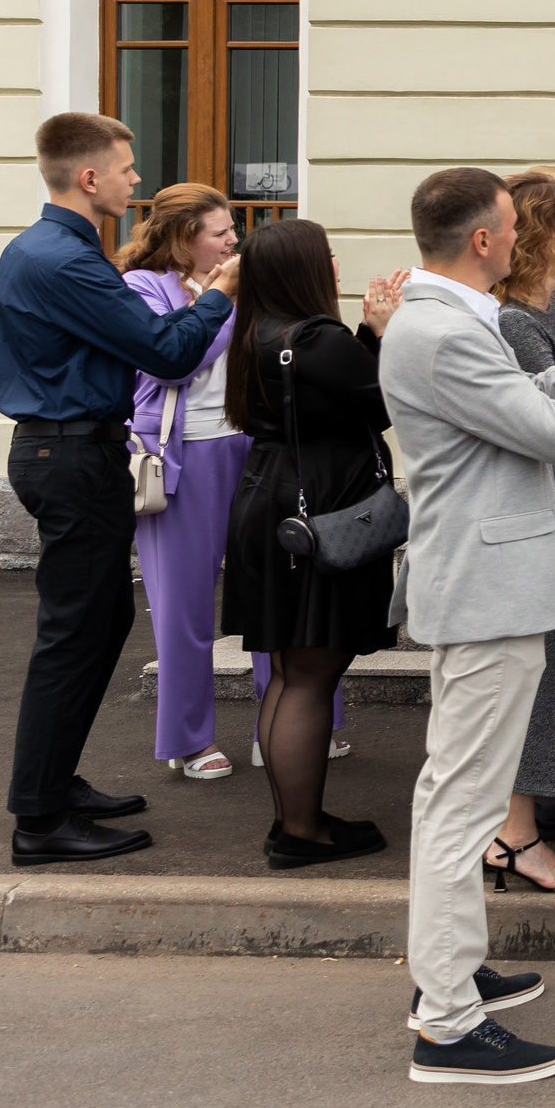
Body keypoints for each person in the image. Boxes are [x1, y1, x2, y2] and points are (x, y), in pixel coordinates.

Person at [385, 168, 555, 1085]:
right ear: (480, 240)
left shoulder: (446, 319)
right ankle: (446, 1022)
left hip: (493, 585)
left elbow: (534, 396)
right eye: (510, 225)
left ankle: (454, 970)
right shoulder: (438, 331)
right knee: (460, 801)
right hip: (487, 590)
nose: (519, 237)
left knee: (457, 794)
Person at [0, 113, 235, 865]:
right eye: (127, 168)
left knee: (98, 624)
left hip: (71, 451)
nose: (137, 180)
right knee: (74, 635)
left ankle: (56, 785)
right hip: (67, 455)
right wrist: (218, 294)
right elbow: (165, 351)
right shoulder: (65, 260)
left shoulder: (58, 250)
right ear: (88, 177)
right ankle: (39, 818)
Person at [220, 219, 405, 868]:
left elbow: (334, 395)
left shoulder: (259, 332)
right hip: (319, 506)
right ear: (304, 268)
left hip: (270, 499)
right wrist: (380, 333)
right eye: (324, 253)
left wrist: (366, 336)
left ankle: (293, 820)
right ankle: (301, 831)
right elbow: (380, 403)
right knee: (310, 674)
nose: (332, 260)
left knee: (291, 671)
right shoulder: (316, 336)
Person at [480, 175, 555, 893]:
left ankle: (517, 826)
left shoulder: (554, 299)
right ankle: (513, 835)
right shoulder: (512, 320)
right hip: (537, 517)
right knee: (537, 677)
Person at [118, 184, 258, 782]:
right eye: (220, 231)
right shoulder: (141, 287)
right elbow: (172, 357)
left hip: (251, 446)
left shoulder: (243, 284)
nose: (233, 241)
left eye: (233, 230)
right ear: (182, 238)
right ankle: (188, 739)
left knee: (278, 591)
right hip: (181, 457)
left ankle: (293, 729)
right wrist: (224, 298)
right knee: (184, 608)